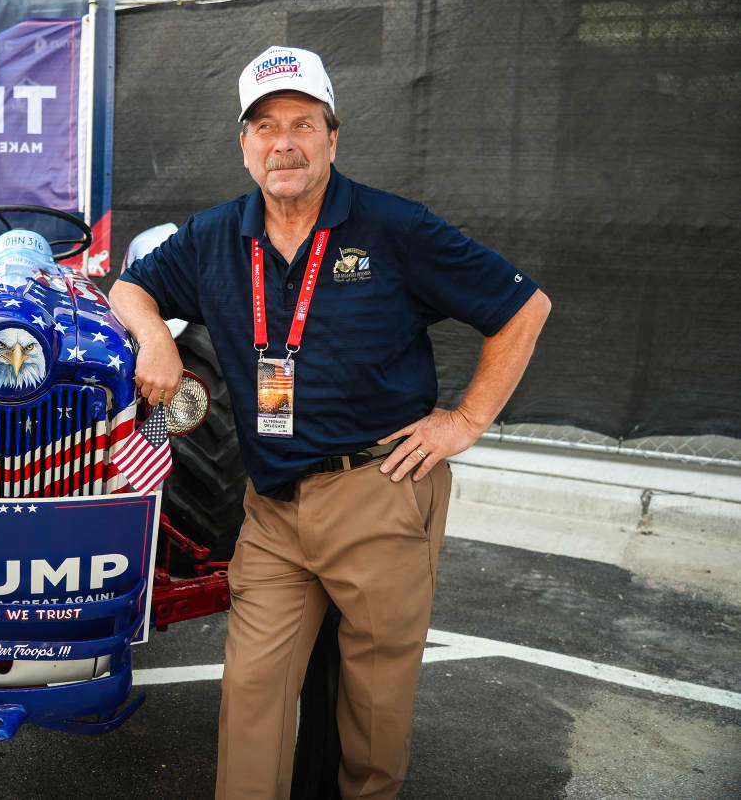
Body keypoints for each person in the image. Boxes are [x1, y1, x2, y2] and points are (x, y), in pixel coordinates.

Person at [110, 45, 551, 799]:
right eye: (265, 126)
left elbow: (523, 308)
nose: (283, 142)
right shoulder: (216, 235)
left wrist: (464, 422)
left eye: (302, 124)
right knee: (251, 697)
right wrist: (155, 337)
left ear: (332, 138)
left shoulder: (394, 227)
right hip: (272, 507)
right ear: (244, 144)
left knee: (372, 715)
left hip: (378, 492)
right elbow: (130, 288)